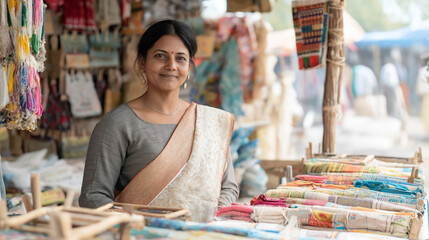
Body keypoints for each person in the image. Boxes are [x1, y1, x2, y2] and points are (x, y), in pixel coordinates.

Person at [79, 19, 239, 222]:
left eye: (180, 58)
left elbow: (228, 186)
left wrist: (211, 220)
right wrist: (143, 227)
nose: (171, 66)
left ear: (189, 67)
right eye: (160, 56)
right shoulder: (117, 124)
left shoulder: (210, 122)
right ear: (142, 62)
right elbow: (93, 197)